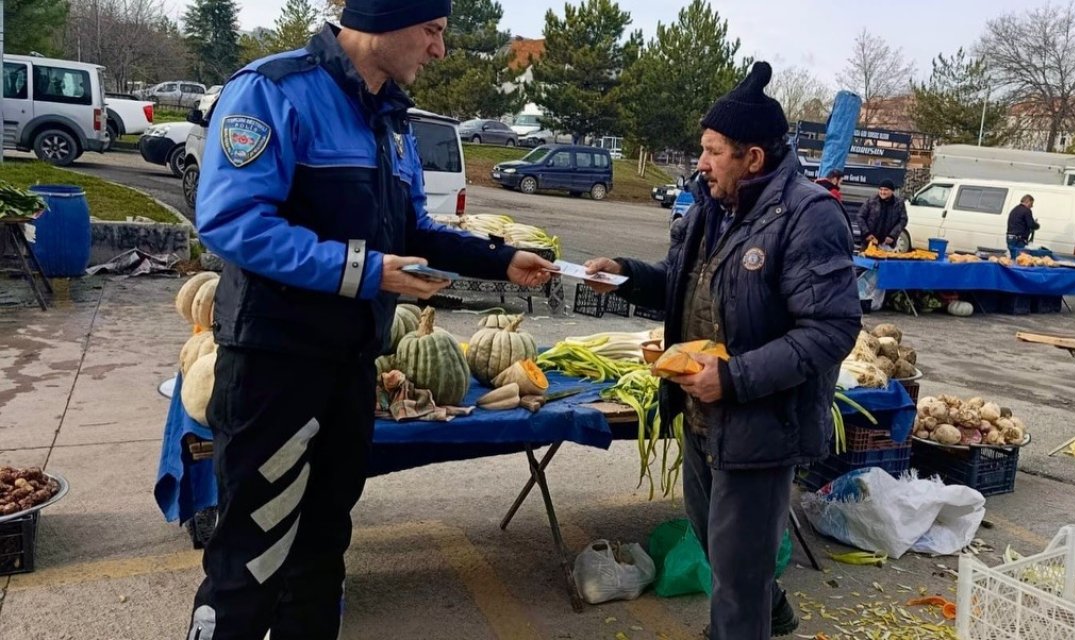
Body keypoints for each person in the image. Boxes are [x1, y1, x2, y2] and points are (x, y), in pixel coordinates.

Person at [186, 2, 556, 638]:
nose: (439, 50)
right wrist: (365, 271)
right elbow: (232, 222)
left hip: (352, 364)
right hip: (277, 366)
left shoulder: (390, 117)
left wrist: (501, 259)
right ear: (384, 19)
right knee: (252, 553)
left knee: (323, 548)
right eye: (432, 31)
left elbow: (412, 227)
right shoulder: (274, 92)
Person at [583, 61, 861, 640]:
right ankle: (771, 607)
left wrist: (733, 379)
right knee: (717, 544)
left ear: (752, 157)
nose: (700, 163)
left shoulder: (808, 216)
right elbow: (683, 280)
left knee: (736, 579)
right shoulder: (713, 205)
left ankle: (746, 621)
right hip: (702, 414)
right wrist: (626, 276)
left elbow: (831, 328)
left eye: (712, 151)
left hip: (760, 423)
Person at [857, 179, 907, 248]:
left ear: (892, 191)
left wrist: (892, 235)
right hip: (869, 242)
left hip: (887, 244)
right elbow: (860, 216)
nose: (882, 192)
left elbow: (903, 220)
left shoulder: (899, 203)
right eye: (881, 189)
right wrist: (867, 234)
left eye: (886, 190)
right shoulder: (871, 201)